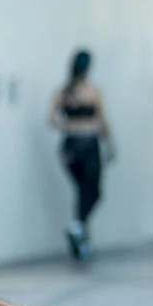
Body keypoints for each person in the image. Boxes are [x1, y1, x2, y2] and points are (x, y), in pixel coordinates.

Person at [48, 49, 113, 260]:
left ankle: (80, 230)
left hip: (70, 144)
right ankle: (79, 226)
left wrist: (68, 126)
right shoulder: (92, 92)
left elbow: (52, 119)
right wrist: (110, 143)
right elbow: (102, 120)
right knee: (93, 190)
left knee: (82, 190)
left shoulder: (63, 93)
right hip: (88, 144)